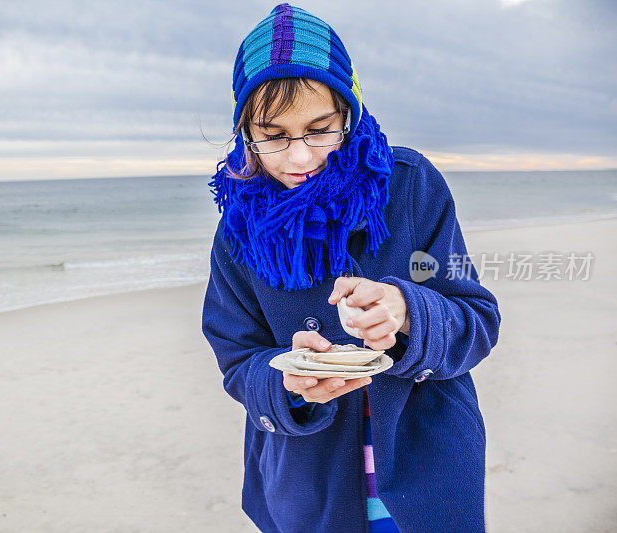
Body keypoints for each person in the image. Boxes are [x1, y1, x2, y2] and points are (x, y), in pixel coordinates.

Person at [201, 4, 501, 532]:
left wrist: (409, 312)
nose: (300, 158)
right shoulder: (236, 231)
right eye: (273, 135)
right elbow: (238, 360)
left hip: (427, 466)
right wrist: (287, 379)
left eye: (320, 129)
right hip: (307, 482)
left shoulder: (407, 186)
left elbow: (476, 320)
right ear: (244, 131)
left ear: (350, 111)